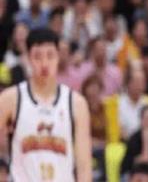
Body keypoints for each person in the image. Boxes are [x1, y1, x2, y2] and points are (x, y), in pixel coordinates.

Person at [0, 28, 91, 181]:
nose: (44, 63)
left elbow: (84, 166)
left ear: (58, 56)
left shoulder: (76, 103)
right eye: (37, 56)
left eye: (50, 56)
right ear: (28, 58)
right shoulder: (11, 98)